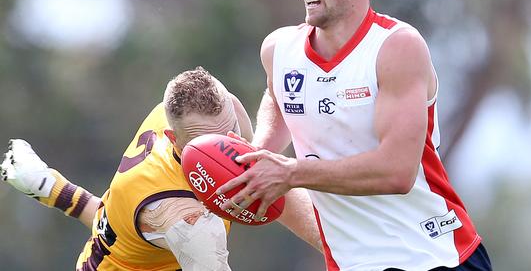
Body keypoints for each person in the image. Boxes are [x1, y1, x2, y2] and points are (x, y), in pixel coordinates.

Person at [217, 0, 492, 271]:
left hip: (433, 258)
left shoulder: (396, 47)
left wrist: (289, 173)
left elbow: (396, 172)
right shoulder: (279, 50)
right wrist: (257, 155)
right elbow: (281, 98)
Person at [1, 67, 321, 271]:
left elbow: (266, 181)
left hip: (114, 245)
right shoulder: (187, 221)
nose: (231, 146)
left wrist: (50, 189)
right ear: (173, 138)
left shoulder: (190, 115)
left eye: (231, 130)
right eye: (209, 140)